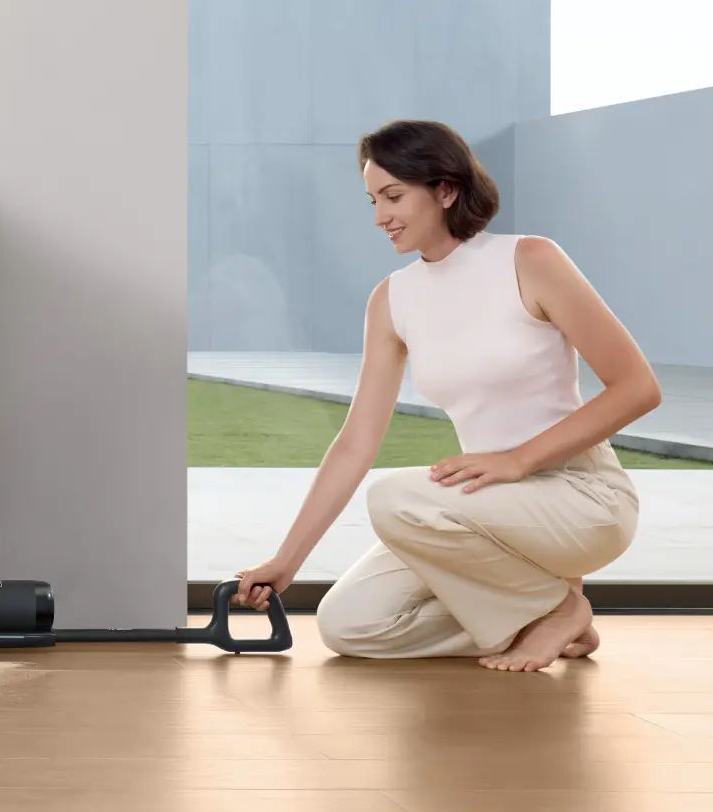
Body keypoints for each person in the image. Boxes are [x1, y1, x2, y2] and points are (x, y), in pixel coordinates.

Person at [232, 119, 661, 673]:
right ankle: (542, 612)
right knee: (349, 624)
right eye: (372, 200)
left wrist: (517, 460)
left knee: (395, 497)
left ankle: (555, 609)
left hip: (580, 498)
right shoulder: (393, 300)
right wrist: (286, 561)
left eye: (393, 196)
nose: (379, 216)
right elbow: (356, 443)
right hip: (479, 512)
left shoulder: (530, 260)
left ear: (445, 189)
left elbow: (637, 388)